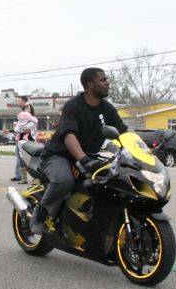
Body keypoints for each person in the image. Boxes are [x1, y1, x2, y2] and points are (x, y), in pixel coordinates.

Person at [29, 68, 128, 234]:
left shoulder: (106, 108)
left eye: (106, 79)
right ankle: (41, 214)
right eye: (103, 80)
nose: (107, 83)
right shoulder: (73, 106)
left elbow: (124, 132)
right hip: (58, 155)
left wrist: (143, 150)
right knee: (64, 180)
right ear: (90, 84)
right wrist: (84, 160)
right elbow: (69, 136)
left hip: (87, 157)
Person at [10, 96, 29, 182]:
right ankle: (19, 175)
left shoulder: (27, 111)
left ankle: (22, 176)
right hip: (20, 137)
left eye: (19, 101)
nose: (17, 102)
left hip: (24, 137)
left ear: (24, 102)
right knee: (19, 157)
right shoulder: (23, 112)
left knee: (22, 158)